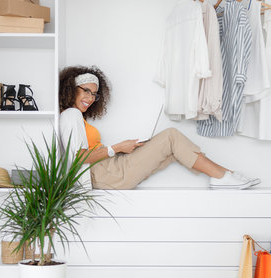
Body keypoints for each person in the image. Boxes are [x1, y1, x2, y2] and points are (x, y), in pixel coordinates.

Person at [58, 65, 260, 190]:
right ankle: (224, 177)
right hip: (104, 174)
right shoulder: (71, 115)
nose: (90, 98)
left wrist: (122, 150)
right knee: (171, 136)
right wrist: (117, 148)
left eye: (94, 94)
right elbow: (78, 158)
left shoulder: (78, 118)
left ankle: (229, 176)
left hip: (108, 169)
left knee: (173, 151)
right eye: (86, 91)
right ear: (71, 89)